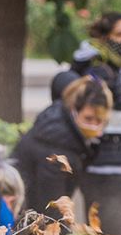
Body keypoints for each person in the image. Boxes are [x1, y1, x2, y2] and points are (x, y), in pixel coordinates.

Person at [58, 12, 121, 235]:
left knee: (111, 231)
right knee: (110, 233)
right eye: (120, 34)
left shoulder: (111, 66)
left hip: (111, 160)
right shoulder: (98, 70)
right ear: (104, 38)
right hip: (102, 163)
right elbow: (95, 115)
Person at [15, 76, 113, 217]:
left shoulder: (63, 129)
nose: (94, 126)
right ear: (74, 111)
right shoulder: (56, 147)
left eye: (99, 120)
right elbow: (52, 206)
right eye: (88, 118)